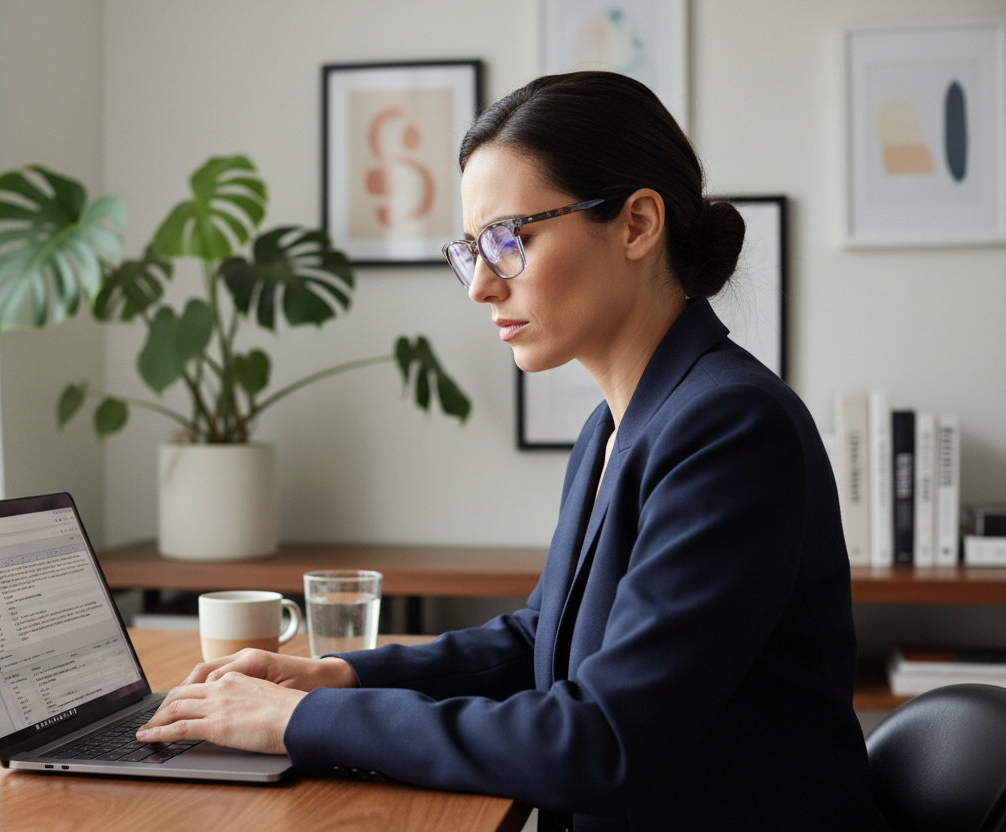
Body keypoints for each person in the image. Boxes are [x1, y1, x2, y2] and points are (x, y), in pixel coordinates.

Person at [136, 72, 888, 831]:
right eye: (471, 249)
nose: (481, 286)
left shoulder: (730, 428)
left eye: (509, 240)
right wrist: (333, 677)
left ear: (636, 224)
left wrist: (293, 724)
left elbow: (601, 740)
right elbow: (544, 638)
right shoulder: (619, 423)